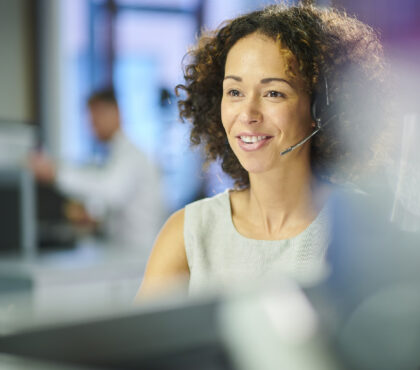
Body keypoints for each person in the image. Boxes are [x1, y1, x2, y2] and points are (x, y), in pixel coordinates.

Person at [137, 3, 389, 298]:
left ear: (321, 108)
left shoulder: (364, 230)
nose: (248, 113)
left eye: (273, 93)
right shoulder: (187, 233)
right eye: (235, 92)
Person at [29, 88, 166, 251]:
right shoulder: (115, 154)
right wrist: (98, 220)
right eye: (91, 119)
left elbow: (112, 191)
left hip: (139, 252)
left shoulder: (132, 155)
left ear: (116, 113)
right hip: (128, 250)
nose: (93, 126)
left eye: (97, 117)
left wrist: (56, 173)